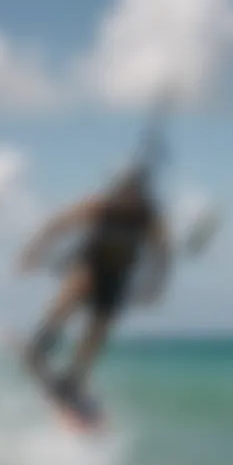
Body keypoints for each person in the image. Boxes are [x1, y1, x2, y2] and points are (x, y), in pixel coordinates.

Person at [16, 163, 172, 406]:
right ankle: (40, 344)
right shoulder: (100, 206)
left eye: (132, 191)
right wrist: (33, 250)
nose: (126, 196)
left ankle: (74, 378)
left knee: (100, 326)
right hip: (89, 263)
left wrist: (157, 288)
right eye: (122, 189)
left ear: (140, 192)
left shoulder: (149, 220)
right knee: (76, 287)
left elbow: (164, 255)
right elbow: (57, 224)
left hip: (117, 275)